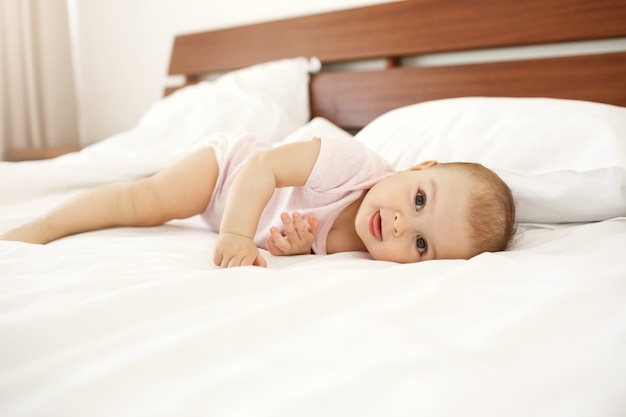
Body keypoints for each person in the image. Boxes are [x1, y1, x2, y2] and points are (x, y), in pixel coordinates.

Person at [1, 133, 516, 267]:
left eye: (423, 245)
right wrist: (236, 234)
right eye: (420, 199)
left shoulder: (364, 248)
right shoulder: (352, 165)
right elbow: (263, 169)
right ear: (417, 169)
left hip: (245, 209)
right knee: (145, 199)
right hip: (229, 170)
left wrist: (288, 244)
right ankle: (42, 227)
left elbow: (296, 229)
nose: (403, 225)